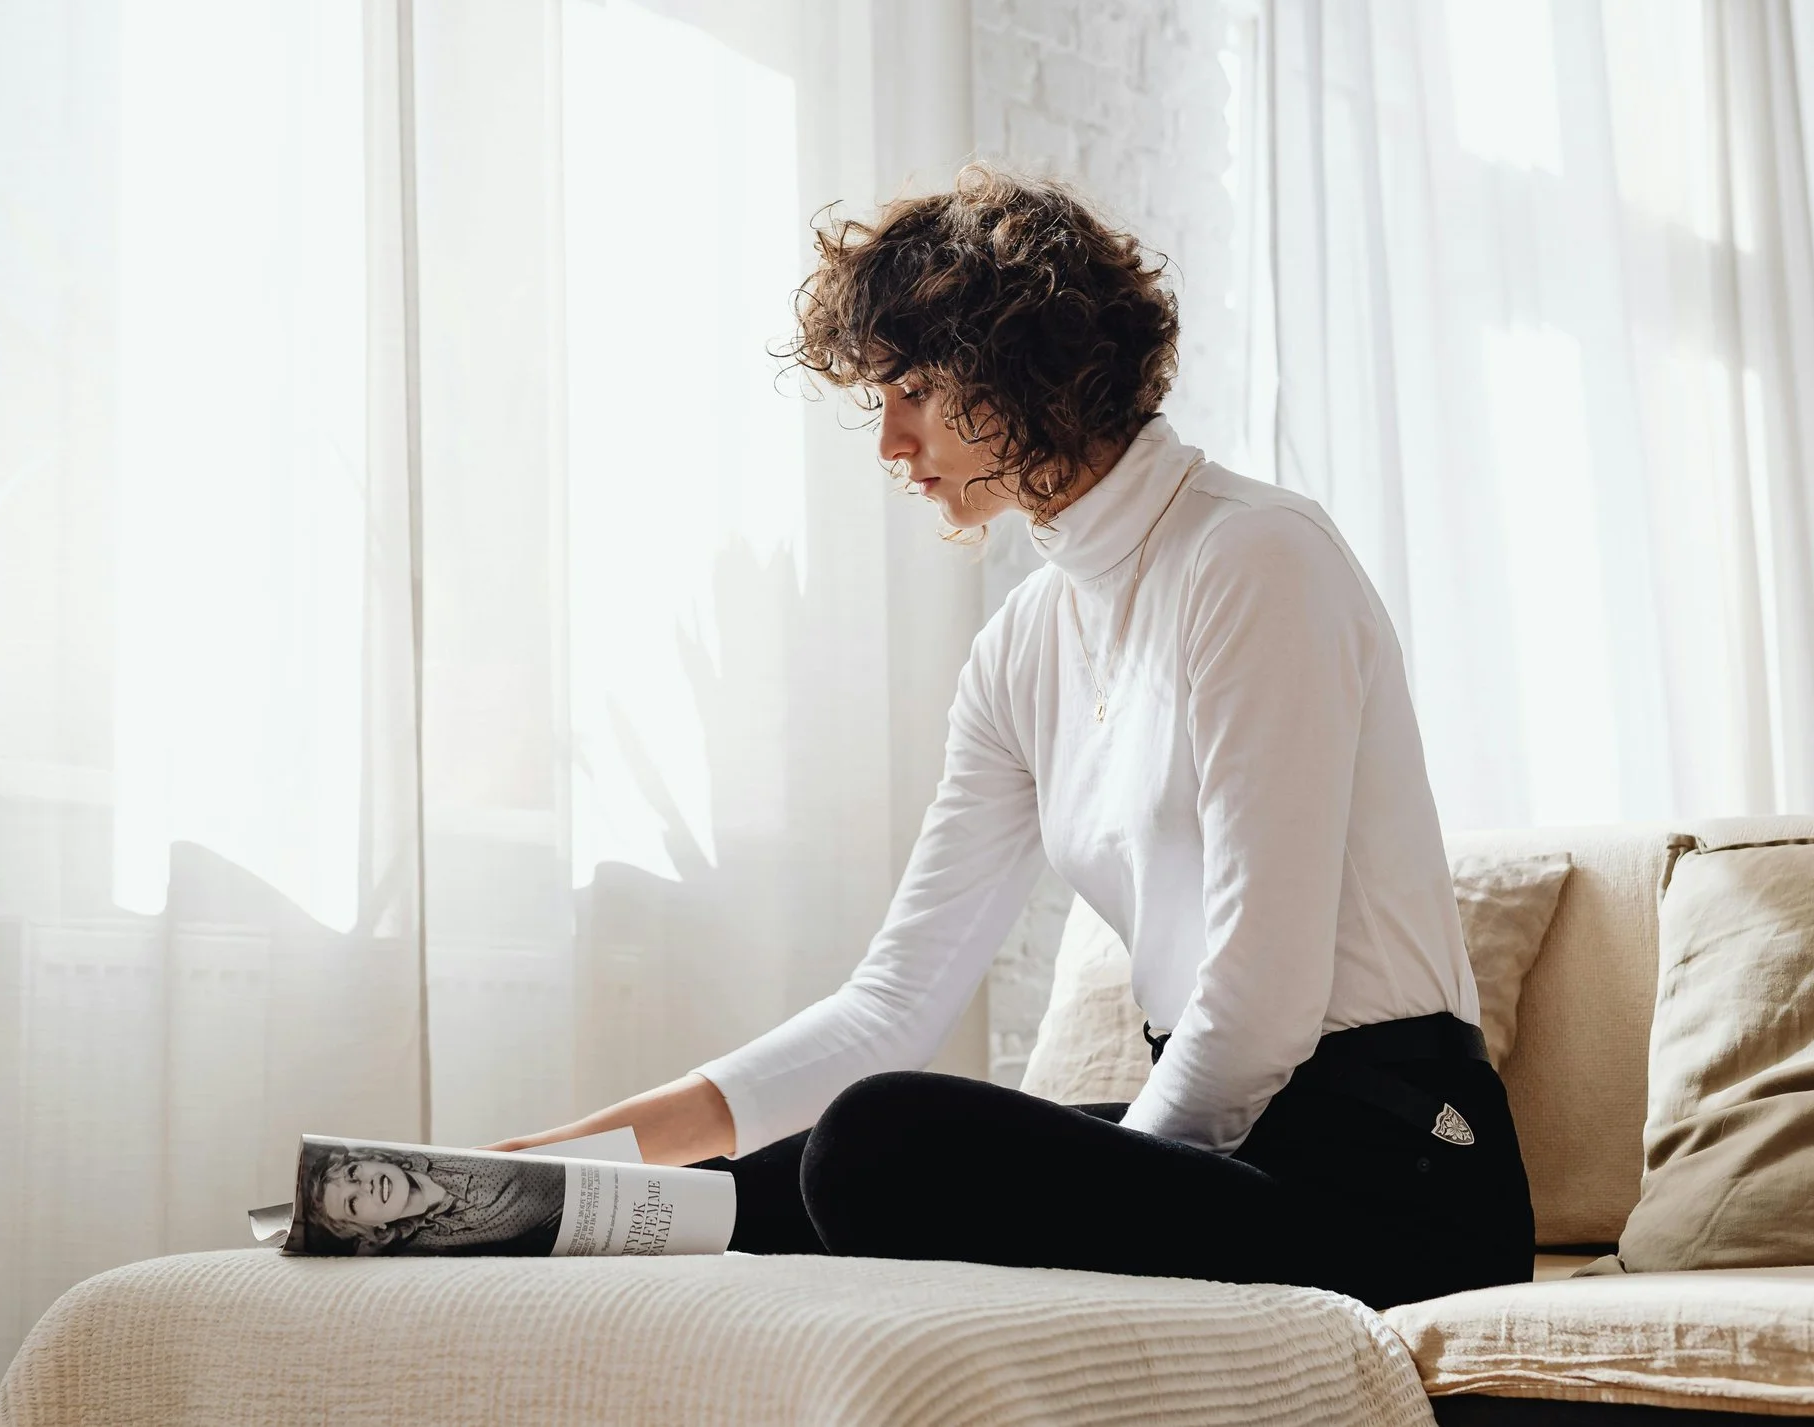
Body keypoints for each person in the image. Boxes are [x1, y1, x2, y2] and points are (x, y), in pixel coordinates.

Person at [491, 164, 1533, 1309]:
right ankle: (494, 1218)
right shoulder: (1022, 643)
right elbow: (889, 1004)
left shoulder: (1255, 558)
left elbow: (1260, 998)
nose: (890, 442)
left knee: (878, 1141)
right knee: (774, 1179)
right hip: (1230, 1148)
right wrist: (542, 1169)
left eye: (912, 392)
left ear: (1018, 371)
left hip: (1396, 1172)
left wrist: (1107, 1188)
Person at [295, 1143, 567, 1257]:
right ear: (370, 1229)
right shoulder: (427, 1247)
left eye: (353, 1173)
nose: (365, 1186)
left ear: (369, 1160)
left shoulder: (445, 1157)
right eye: (352, 1203)